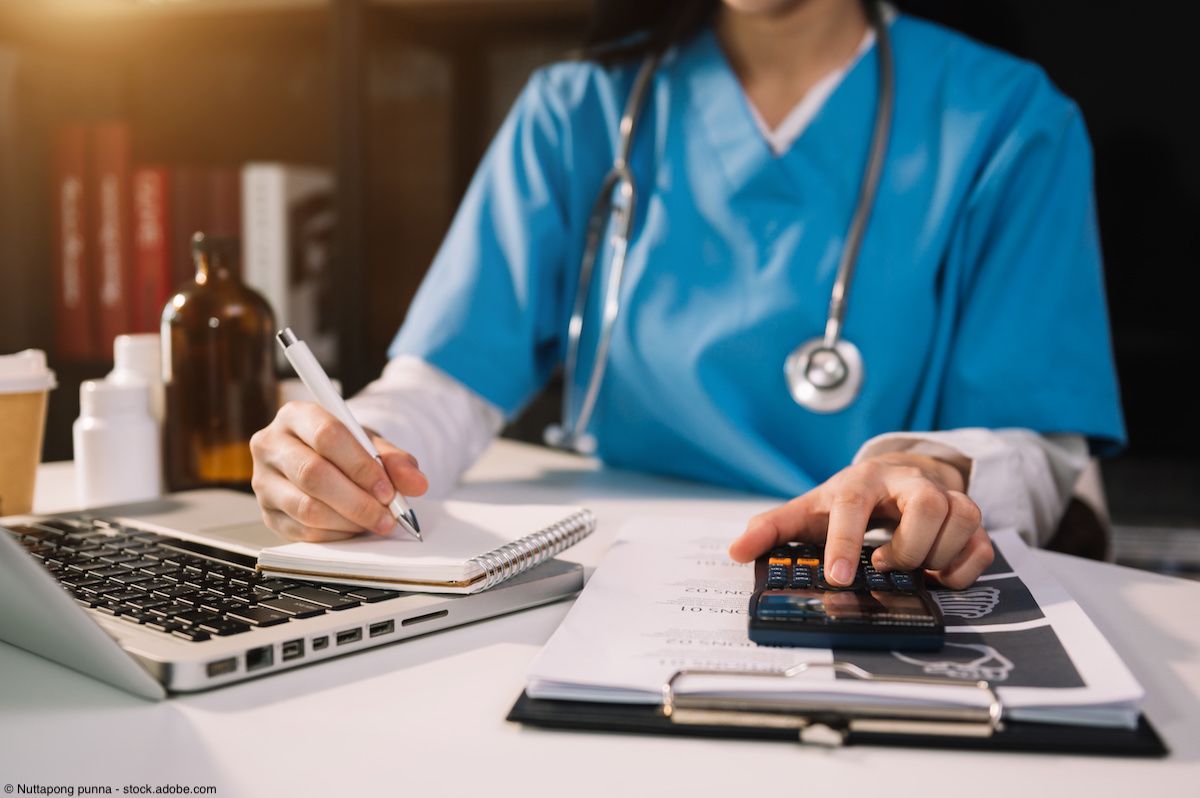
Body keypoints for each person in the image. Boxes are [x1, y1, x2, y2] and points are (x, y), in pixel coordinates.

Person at [249, 0, 1123, 590]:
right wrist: (346, 457)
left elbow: (1039, 449)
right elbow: (441, 386)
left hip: (860, 584)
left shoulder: (1009, 119)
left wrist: (935, 475)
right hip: (619, 576)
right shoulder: (579, 107)